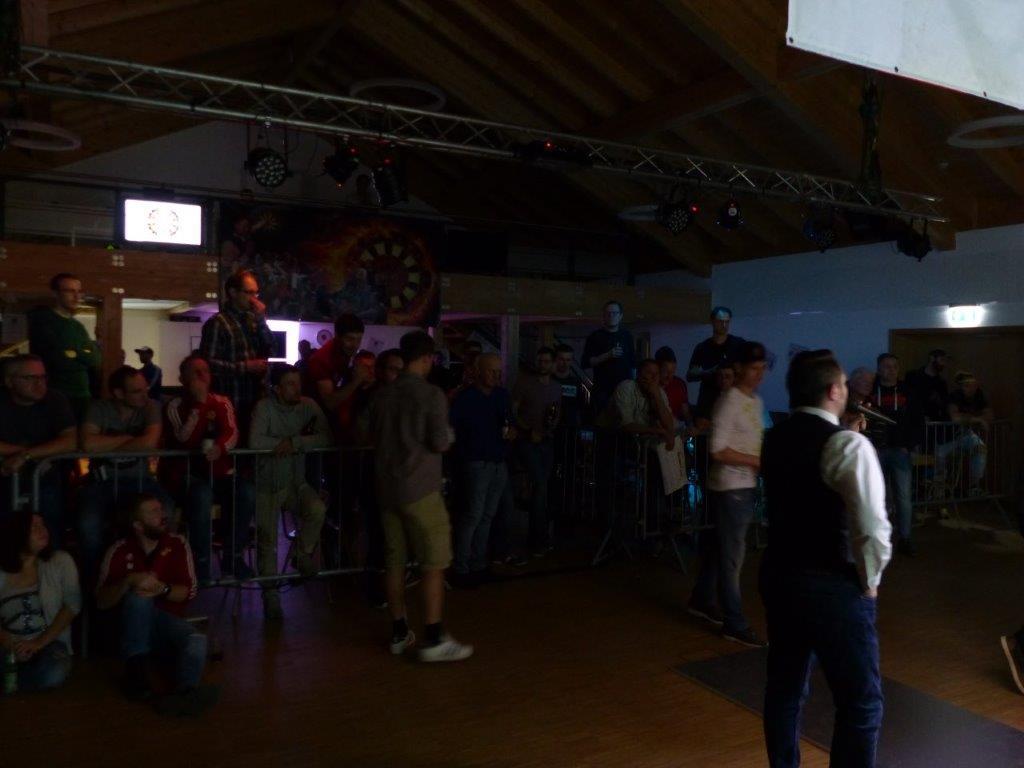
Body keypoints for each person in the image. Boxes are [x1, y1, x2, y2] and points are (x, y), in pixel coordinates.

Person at [761, 350, 891, 768]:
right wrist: (870, 579)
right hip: (830, 583)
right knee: (861, 703)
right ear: (835, 391)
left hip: (779, 573)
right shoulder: (848, 445)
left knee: (785, 689)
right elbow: (871, 526)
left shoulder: (775, 437)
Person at [370, 330, 473, 662]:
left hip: (387, 488)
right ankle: (433, 637)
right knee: (433, 562)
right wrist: (450, 435)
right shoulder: (431, 394)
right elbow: (439, 441)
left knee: (394, 562)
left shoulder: (383, 394)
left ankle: (399, 631)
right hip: (421, 489)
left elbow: (370, 433)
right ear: (428, 358)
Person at [96, 494, 218, 716]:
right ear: (138, 525)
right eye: (153, 512)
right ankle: (136, 675)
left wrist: (162, 589)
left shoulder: (177, 544)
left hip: (165, 621)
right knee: (139, 598)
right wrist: (128, 581)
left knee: (197, 639)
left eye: (161, 510)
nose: (162, 515)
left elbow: (189, 592)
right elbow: (101, 601)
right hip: (127, 626)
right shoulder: (119, 550)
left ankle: (186, 690)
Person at [689, 341, 768, 648]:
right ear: (740, 369)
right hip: (731, 488)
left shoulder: (754, 401)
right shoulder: (729, 401)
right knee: (731, 557)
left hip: (741, 486)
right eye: (753, 368)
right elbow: (718, 449)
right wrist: (755, 461)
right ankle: (733, 621)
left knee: (717, 549)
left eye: (762, 368)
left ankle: (701, 599)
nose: (759, 374)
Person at [249, 366, 332, 620]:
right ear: (277, 388)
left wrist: (294, 443)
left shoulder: (308, 406)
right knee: (267, 542)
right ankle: (270, 596)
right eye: (290, 384)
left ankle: (301, 553)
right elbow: (254, 441)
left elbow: (326, 437)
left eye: (298, 382)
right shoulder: (264, 408)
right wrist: (285, 444)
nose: (297, 388)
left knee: (317, 509)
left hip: (297, 483)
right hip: (267, 485)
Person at [163, 353, 255, 582]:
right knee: (201, 495)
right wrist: (199, 405)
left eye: (205, 371)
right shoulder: (174, 405)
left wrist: (220, 448)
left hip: (219, 472)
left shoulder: (222, 402)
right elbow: (183, 439)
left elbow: (232, 432)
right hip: (187, 474)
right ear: (182, 378)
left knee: (245, 491)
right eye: (195, 372)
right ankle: (201, 564)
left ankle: (233, 557)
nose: (201, 376)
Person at [79, 366, 172, 587]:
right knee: (88, 524)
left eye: (145, 389)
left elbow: (149, 443)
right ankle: (96, 584)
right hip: (102, 482)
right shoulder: (99, 408)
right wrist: (130, 439)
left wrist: (107, 444)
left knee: (166, 510)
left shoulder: (150, 407)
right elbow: (88, 444)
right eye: (137, 391)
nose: (144, 395)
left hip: (141, 481)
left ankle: (159, 573)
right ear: (119, 393)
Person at [450, 353, 516, 586]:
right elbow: (454, 429)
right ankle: (461, 565)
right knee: (474, 514)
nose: (496, 375)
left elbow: (510, 422)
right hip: (476, 461)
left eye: (499, 371)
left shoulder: (501, 395)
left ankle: (477, 563)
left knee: (486, 515)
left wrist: (511, 433)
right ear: (479, 371)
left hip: (497, 460)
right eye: (492, 371)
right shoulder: (466, 398)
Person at [0, 512, 80, 692]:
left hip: (49, 642)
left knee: (54, 672)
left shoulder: (60, 561)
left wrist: (37, 643)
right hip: (9, 643)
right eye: (34, 527)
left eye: (43, 525)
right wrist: (10, 644)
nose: (42, 530)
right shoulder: (2, 572)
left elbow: (72, 605)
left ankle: (14, 682)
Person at [0, 355, 76, 540]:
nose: (39, 383)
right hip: (5, 475)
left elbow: (71, 441)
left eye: (42, 377)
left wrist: (24, 456)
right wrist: (27, 454)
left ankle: (51, 554)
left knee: (50, 523)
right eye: (30, 378)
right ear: (9, 381)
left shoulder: (55, 399)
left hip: (46, 477)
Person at [199, 268, 274, 429]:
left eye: (256, 293)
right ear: (233, 292)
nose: (254, 299)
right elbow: (208, 365)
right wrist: (245, 367)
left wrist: (261, 320)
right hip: (231, 403)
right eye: (249, 293)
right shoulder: (217, 323)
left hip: (256, 402)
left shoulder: (253, 320)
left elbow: (270, 348)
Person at [865, 353, 923, 557]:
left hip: (900, 451)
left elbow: (918, 420)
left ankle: (905, 538)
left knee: (903, 498)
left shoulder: (908, 392)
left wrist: (910, 445)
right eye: (886, 366)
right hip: (875, 451)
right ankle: (876, 538)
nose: (891, 370)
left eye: (894, 366)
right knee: (875, 496)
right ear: (878, 369)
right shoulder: (870, 391)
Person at [27, 273, 101, 420]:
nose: (76, 296)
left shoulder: (77, 326)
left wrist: (74, 353)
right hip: (57, 394)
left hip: (83, 395)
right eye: (69, 291)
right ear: (56, 294)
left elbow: (95, 359)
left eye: (79, 291)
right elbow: (59, 361)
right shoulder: (45, 321)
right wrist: (83, 354)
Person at [512, 347, 563, 556]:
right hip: (527, 441)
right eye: (540, 361)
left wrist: (551, 427)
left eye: (546, 361)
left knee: (544, 487)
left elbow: (557, 411)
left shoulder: (556, 387)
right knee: (540, 485)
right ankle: (537, 539)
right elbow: (513, 410)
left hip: (546, 440)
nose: (542, 365)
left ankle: (539, 536)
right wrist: (527, 430)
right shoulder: (524, 383)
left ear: (552, 363)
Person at [304, 313, 366, 427]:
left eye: (359, 339)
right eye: (350, 339)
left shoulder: (346, 353)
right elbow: (330, 403)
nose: (355, 345)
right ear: (337, 336)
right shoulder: (321, 359)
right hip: (320, 424)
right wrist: (357, 380)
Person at [937, 370, 993, 494]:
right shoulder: (954, 396)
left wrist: (977, 419)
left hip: (964, 433)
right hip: (945, 437)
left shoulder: (978, 395)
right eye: (966, 385)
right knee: (939, 462)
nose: (970, 388)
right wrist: (977, 419)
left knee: (979, 448)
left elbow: (989, 415)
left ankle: (974, 485)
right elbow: (955, 417)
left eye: (972, 385)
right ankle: (938, 489)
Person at [688, 306, 745, 423]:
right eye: (720, 321)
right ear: (712, 321)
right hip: (708, 402)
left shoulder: (738, 344)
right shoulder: (703, 347)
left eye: (727, 322)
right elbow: (690, 375)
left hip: (732, 401)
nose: (724, 325)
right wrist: (707, 372)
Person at [581, 301, 635, 422]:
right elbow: (586, 363)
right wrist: (608, 355)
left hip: (624, 390)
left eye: (614, 313)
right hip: (602, 391)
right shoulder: (595, 337)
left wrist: (634, 388)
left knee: (625, 423)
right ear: (603, 316)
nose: (611, 316)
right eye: (608, 313)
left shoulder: (627, 336)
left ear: (620, 316)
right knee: (601, 423)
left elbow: (633, 363)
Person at [904, 349, 950, 424]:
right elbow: (906, 398)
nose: (944, 364)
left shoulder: (941, 383)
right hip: (913, 420)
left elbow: (944, 405)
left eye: (945, 361)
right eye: (941, 360)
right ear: (932, 358)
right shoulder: (912, 376)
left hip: (933, 423)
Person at [655, 346, 692, 428]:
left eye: (673, 372)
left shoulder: (679, 384)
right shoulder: (652, 385)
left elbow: (686, 412)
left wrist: (690, 427)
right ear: (657, 368)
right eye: (665, 372)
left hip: (676, 428)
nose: (670, 376)